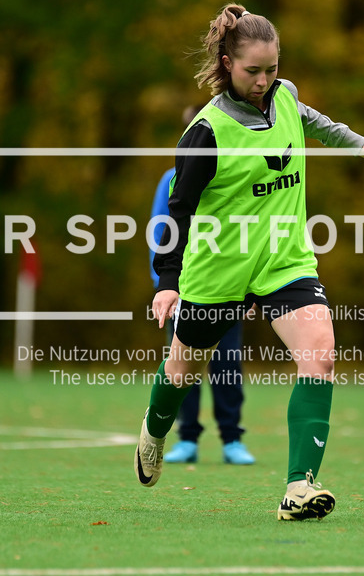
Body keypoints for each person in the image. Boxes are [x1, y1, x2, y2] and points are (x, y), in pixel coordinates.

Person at [135, 3, 364, 521]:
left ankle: (299, 488)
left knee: (320, 354)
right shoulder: (206, 133)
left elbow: (309, 119)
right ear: (227, 63)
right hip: (218, 266)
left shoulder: (284, 96)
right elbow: (178, 211)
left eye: (272, 69)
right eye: (252, 71)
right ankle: (154, 428)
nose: (264, 81)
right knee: (182, 370)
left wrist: (357, 144)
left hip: (284, 258)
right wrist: (168, 282)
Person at [149, 105, 255, 466]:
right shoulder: (171, 178)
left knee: (227, 364)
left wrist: (254, 282)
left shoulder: (241, 175)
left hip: (231, 285)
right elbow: (162, 228)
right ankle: (187, 437)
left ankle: (231, 439)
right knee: (182, 369)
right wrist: (165, 284)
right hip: (186, 289)